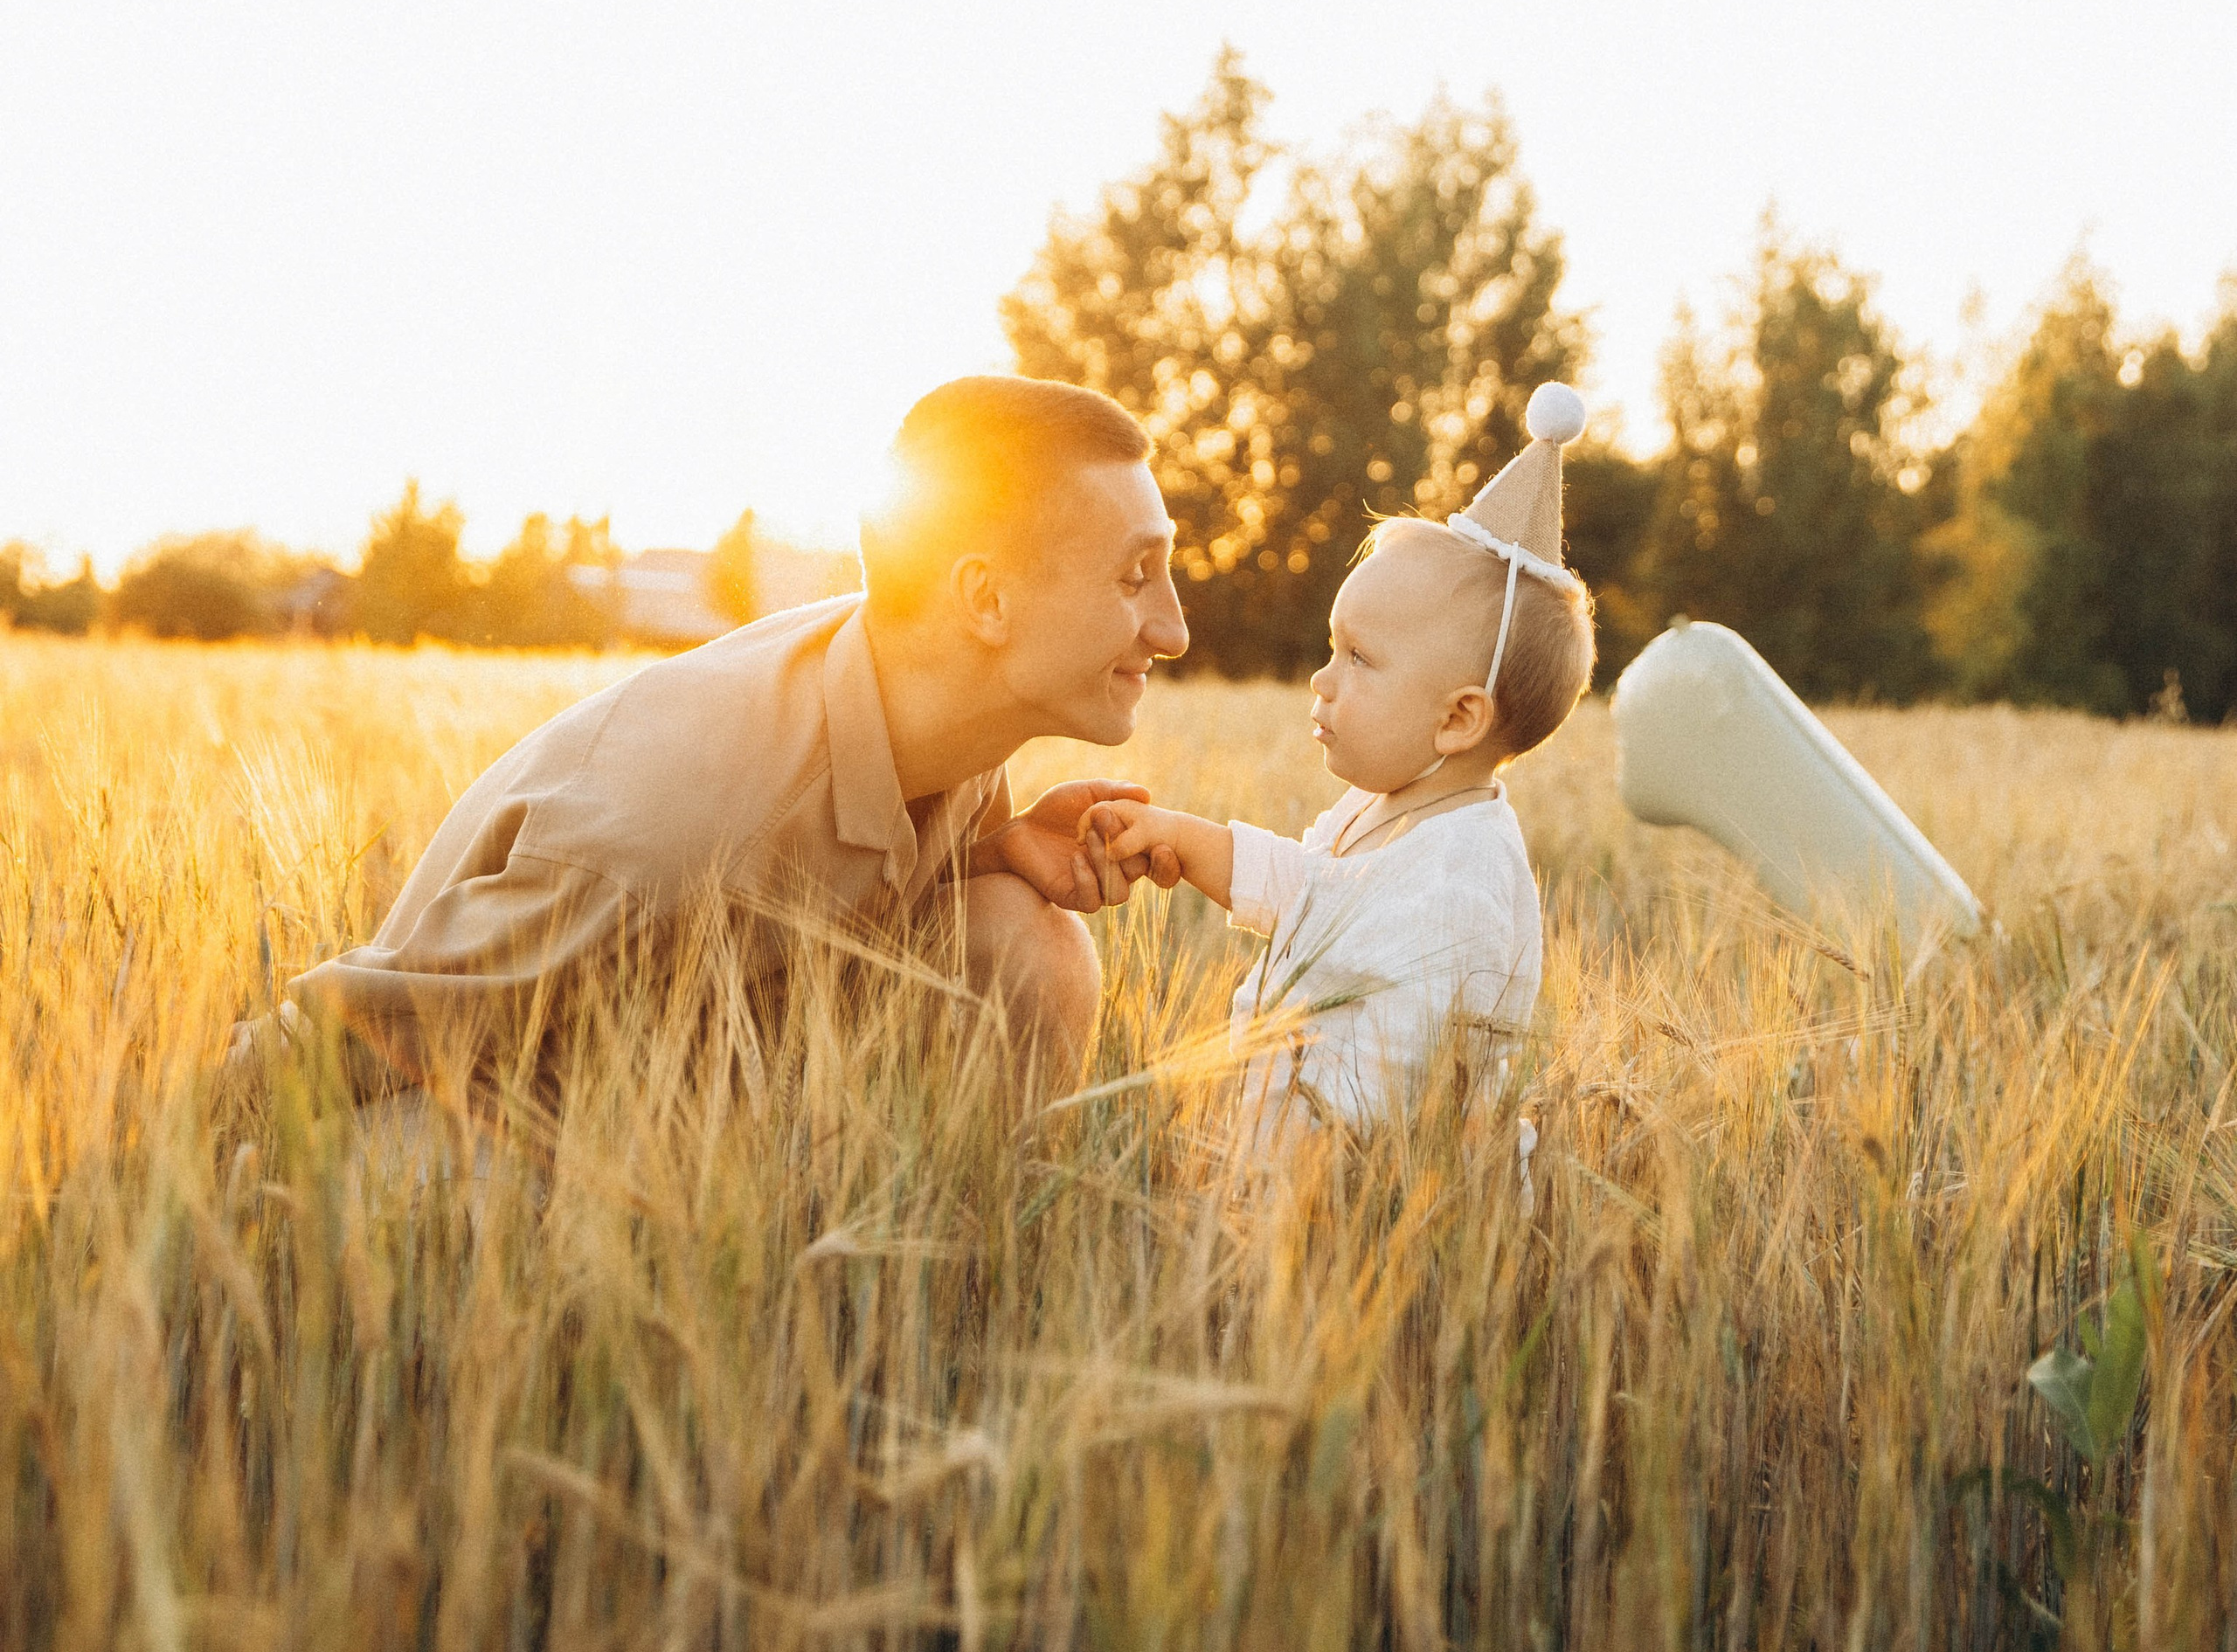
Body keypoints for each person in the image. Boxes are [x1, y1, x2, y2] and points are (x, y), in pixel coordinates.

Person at [279, 377, 1189, 1103]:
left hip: (693, 1097)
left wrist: (987, 852)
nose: (1173, 627)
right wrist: (164, 1163)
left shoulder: (945, 696)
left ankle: (944, 1300)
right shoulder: (678, 825)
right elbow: (343, 1036)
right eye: (1134, 575)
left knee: (1027, 940)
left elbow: (815, 902)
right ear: (985, 599)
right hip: (505, 1135)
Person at [1079, 384, 1596, 1142]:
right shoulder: (1384, 807)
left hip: (1368, 1209)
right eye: (1332, 648)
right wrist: (1182, 838)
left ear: (1456, 718)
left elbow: (1407, 1073)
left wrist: (1309, 1173)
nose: (1323, 680)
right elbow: (1310, 890)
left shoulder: (1460, 878)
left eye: (1358, 657)